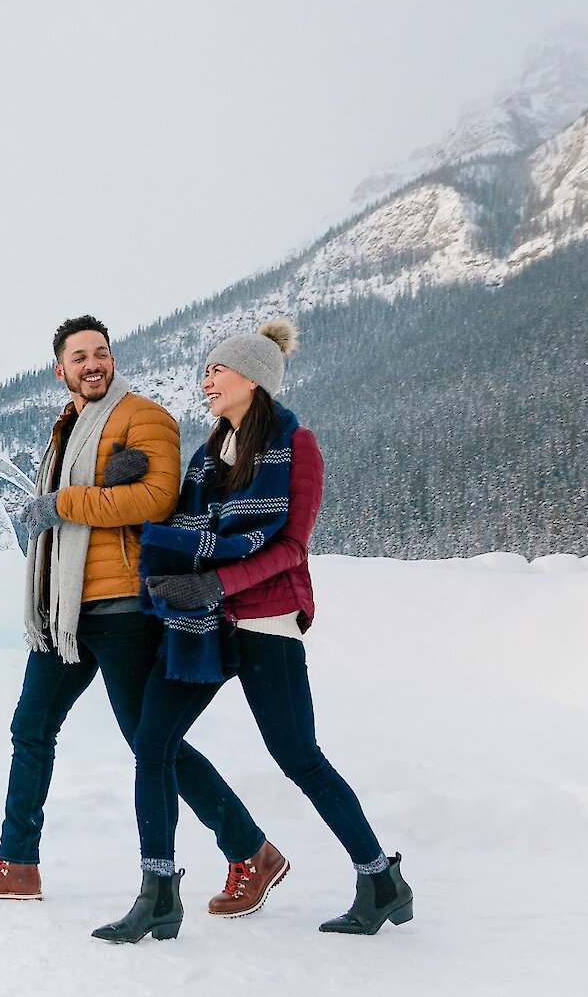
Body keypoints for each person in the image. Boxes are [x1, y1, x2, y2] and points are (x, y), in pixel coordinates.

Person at [92, 318, 411, 944]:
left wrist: (218, 585)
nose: (206, 380)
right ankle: (158, 893)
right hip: (203, 624)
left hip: (265, 620)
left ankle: (380, 880)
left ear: (253, 379)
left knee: (298, 757)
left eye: (217, 370)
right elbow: (181, 525)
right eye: (207, 370)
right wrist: (125, 483)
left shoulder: (297, 447)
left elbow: (291, 547)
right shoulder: (209, 456)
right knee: (153, 743)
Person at [0, 316, 275, 905]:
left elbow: (157, 499)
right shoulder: (68, 427)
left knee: (151, 741)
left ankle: (250, 850)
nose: (92, 363)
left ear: (111, 359)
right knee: (31, 728)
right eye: (79, 356)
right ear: (61, 370)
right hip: (64, 615)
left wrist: (65, 501)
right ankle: (17, 863)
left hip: (122, 606)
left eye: (100, 352)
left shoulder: (143, 416)